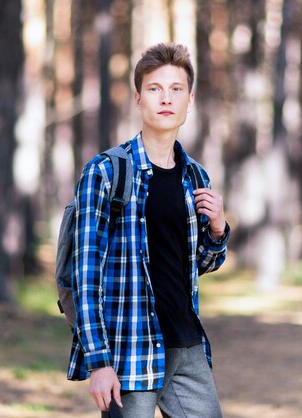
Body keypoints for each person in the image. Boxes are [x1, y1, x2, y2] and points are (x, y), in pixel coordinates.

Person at [67, 42, 230, 418]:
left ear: (189, 101)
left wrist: (218, 231)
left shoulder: (195, 176)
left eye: (176, 90)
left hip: (187, 345)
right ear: (138, 99)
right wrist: (99, 362)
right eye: (155, 89)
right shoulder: (106, 171)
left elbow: (195, 264)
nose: (166, 99)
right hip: (131, 349)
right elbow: (85, 275)